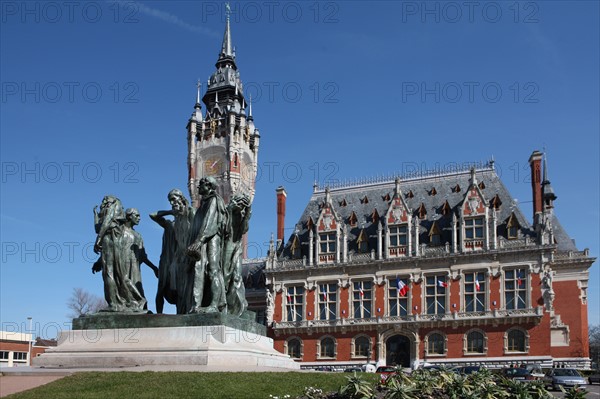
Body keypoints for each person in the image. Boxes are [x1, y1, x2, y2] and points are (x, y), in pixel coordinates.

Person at [187, 177, 228, 313]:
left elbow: (209, 223)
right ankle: (197, 304)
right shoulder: (203, 204)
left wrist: (199, 240)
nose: (198, 187)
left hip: (211, 239)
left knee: (213, 270)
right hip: (204, 240)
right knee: (200, 270)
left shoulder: (213, 200)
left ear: (209, 186)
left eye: (201, 184)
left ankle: (215, 305)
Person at [150, 189, 195, 314]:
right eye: (170, 201)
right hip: (171, 260)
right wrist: (171, 212)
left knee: (184, 289)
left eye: (174, 199)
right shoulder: (171, 224)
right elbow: (153, 215)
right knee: (165, 288)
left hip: (186, 258)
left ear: (181, 199)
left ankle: (183, 313)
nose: (172, 202)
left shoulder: (190, 215)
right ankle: (161, 314)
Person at [93, 195, 128, 311]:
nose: (104, 202)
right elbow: (98, 228)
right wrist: (95, 215)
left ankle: (114, 304)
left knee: (109, 273)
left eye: (106, 200)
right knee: (109, 273)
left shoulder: (114, 206)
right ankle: (115, 302)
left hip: (110, 238)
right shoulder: (109, 210)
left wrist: (98, 239)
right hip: (110, 239)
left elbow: (107, 221)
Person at [121, 208, 158, 311]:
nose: (139, 218)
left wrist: (154, 268)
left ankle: (140, 303)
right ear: (129, 216)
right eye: (136, 216)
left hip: (135, 269)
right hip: (122, 265)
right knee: (123, 289)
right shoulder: (119, 232)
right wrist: (99, 261)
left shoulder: (138, 236)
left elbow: (143, 256)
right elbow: (110, 248)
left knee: (137, 289)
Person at [222, 193, 251, 316]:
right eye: (239, 204)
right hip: (226, 248)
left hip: (236, 248)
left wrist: (248, 213)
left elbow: (243, 229)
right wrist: (229, 210)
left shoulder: (240, 215)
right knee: (225, 276)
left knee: (237, 276)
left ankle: (238, 308)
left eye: (243, 205)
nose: (241, 207)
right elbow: (224, 230)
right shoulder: (225, 213)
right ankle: (223, 305)